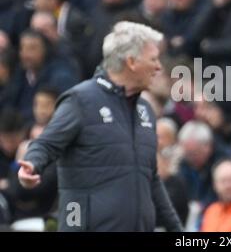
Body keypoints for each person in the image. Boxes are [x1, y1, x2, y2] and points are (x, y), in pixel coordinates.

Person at [17, 21, 182, 232]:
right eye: (153, 59)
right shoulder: (81, 100)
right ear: (131, 62)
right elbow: (46, 144)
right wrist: (31, 164)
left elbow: (151, 179)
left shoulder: (145, 111)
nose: (159, 66)